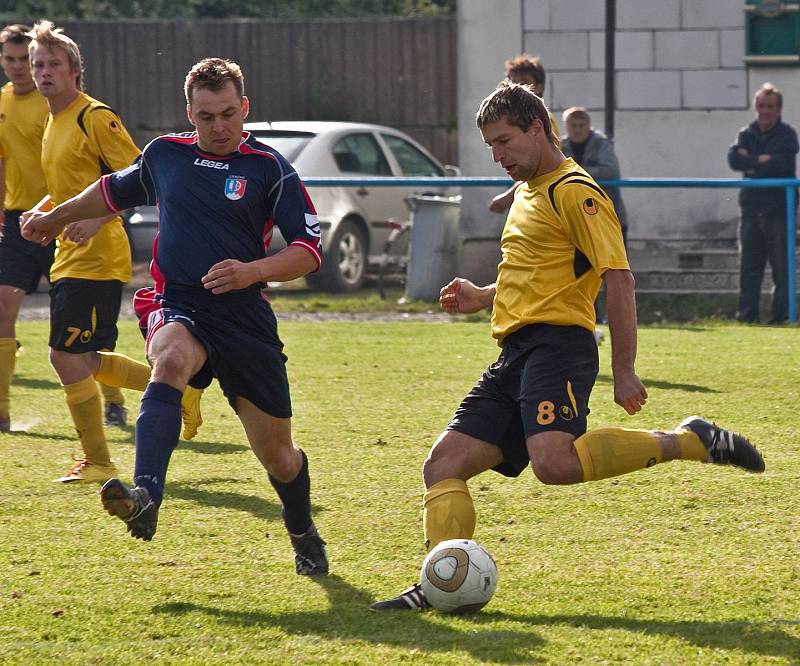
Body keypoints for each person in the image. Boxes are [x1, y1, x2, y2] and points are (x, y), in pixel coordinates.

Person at [370, 81, 764, 611]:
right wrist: (483, 294)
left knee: (553, 464)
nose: (498, 155)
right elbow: (534, 273)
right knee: (443, 465)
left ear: (539, 129)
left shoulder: (577, 192)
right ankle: (444, 583)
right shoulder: (528, 190)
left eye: (505, 141)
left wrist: (625, 371)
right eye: (491, 145)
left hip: (560, 346)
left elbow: (618, 279)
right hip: (516, 351)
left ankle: (687, 440)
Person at [22, 57, 329, 576]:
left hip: (244, 319)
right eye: (206, 116)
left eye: (228, 113)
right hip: (180, 302)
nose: (219, 126)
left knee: (279, 458)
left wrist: (253, 270)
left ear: (245, 107)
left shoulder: (269, 168)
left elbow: (308, 250)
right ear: (189, 113)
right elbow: (109, 191)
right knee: (169, 359)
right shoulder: (165, 155)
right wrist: (54, 217)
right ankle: (146, 494)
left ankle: (302, 531)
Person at [27, 20, 155, 482]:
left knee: (66, 356)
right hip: (68, 253)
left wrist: (99, 218)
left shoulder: (94, 116)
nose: (43, 72)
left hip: (100, 255)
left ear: (76, 70)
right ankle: (173, 391)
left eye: (53, 64)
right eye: (37, 64)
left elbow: (141, 178)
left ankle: (99, 461)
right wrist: (42, 214)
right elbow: (67, 189)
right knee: (82, 357)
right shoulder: (53, 120)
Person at [0, 24, 51, 434]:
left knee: (76, 319)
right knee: (2, 308)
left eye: (24, 60)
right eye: (10, 59)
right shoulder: (1, 102)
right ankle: (1, 411)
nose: (19, 68)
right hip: (17, 220)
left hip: (59, 217)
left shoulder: (53, 102)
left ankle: (113, 401)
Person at [727, 83, 798, 324]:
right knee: (749, 270)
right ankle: (747, 318)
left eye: (769, 106)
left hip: (779, 211)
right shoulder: (746, 133)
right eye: (761, 106)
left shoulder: (788, 135)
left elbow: (780, 164)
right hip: (750, 210)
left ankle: (782, 318)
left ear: (778, 109)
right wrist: (762, 160)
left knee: (782, 270)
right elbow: (734, 159)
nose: (764, 111)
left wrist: (751, 161)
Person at [488, 54, 558, 214]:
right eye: (512, 81)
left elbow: (544, 170)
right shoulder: (517, 119)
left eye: (524, 81)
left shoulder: (541, 120)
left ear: (539, 86)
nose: (516, 87)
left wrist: (508, 197)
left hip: (542, 206)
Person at [561, 106, 628, 244]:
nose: (577, 130)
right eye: (573, 125)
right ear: (566, 127)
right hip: (574, 221)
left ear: (589, 125)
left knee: (615, 264)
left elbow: (610, 172)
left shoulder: (602, 143)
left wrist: (573, 173)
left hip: (607, 217)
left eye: (581, 125)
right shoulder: (559, 147)